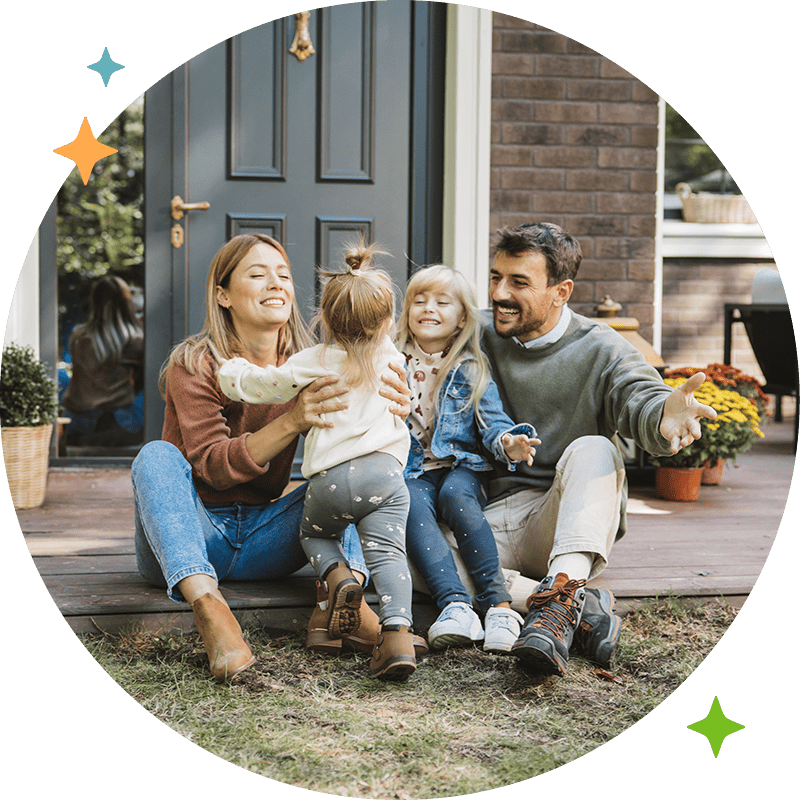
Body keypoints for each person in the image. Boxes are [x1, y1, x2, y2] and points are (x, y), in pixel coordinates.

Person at [432, 222, 716, 677]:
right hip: (482, 520)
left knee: (595, 449)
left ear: (561, 292)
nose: (500, 293)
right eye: (494, 277)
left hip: (560, 520)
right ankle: (574, 607)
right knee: (415, 552)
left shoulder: (601, 348)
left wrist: (664, 416)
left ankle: (559, 595)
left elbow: (638, 396)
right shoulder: (473, 334)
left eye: (519, 282)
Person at [131, 234, 412, 682]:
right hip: (191, 533)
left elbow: (386, 415)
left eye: (282, 274)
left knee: (355, 475)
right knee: (155, 457)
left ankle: (339, 599)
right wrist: (294, 419)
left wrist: (399, 399)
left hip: (266, 535)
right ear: (222, 295)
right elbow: (214, 468)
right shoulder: (195, 363)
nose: (275, 284)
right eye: (257, 275)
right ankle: (210, 608)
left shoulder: (320, 360)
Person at [218, 243, 420, 681]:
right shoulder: (393, 356)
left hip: (329, 481)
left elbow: (263, 387)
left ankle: (338, 578)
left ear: (325, 320)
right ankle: (398, 637)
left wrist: (230, 372)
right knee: (388, 555)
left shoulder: (313, 361)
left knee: (316, 536)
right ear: (387, 323)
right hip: (385, 478)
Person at [395, 265, 539, 653]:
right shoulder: (389, 362)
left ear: (461, 321)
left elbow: (493, 423)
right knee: (410, 504)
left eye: (443, 302)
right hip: (411, 470)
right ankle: (455, 606)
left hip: (461, 466)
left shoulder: (471, 369)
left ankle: (500, 608)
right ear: (407, 312)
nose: (429, 308)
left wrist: (509, 442)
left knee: (457, 498)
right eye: (419, 301)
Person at [61, 276, 144, 447]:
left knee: (59, 376)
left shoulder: (78, 335)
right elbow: (141, 382)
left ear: (94, 302)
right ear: (126, 303)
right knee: (157, 382)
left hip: (76, 417)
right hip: (114, 419)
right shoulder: (135, 339)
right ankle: (103, 439)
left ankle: (82, 440)